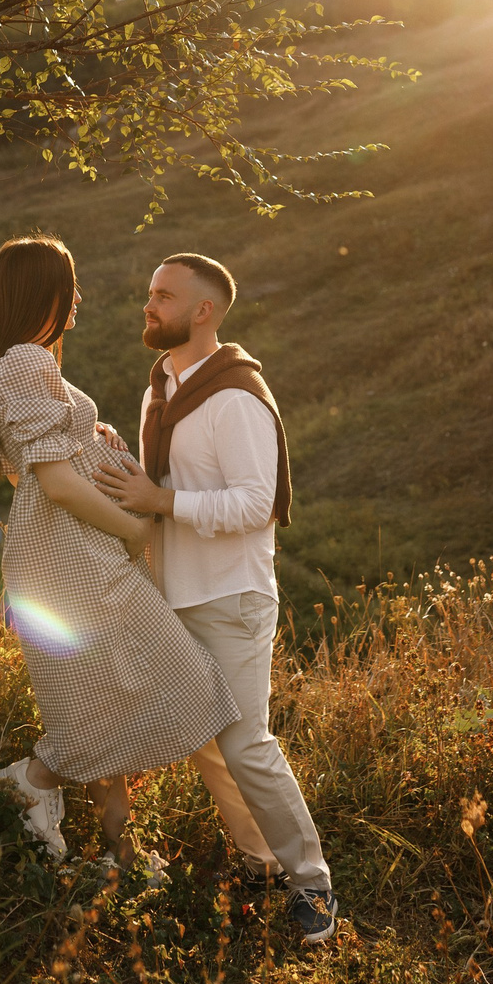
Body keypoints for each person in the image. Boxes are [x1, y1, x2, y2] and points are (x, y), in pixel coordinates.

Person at [94, 252, 339, 946]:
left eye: (164, 296)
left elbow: (257, 503)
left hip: (231, 595)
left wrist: (161, 498)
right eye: (150, 293)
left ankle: (313, 884)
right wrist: (128, 466)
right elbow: (165, 487)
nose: (150, 305)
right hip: (174, 591)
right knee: (206, 742)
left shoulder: (235, 397)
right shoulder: (159, 393)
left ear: (203, 312)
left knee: (244, 741)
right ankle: (259, 861)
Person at [0, 235, 240, 874]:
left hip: (69, 552)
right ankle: (36, 779)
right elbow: (56, 483)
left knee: (99, 699)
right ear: (43, 291)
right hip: (76, 557)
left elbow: (37, 470)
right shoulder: (21, 361)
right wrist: (134, 532)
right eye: (69, 284)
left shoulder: (24, 362)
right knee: (187, 680)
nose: (78, 298)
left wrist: (93, 442)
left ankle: (122, 853)